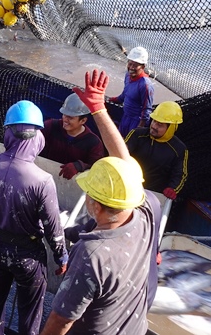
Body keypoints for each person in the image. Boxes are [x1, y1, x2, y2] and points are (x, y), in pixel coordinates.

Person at [41, 69, 158, 335]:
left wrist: (98, 110)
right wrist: (99, 109)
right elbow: (125, 162)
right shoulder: (147, 210)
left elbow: (61, 320)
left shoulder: (91, 254)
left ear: (96, 206)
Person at [0, 100, 68, 335]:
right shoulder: (42, 180)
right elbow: (53, 229)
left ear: (8, 133)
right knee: (29, 315)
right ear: (37, 138)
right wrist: (62, 257)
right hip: (28, 257)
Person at [125, 100, 189, 200]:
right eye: (154, 121)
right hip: (126, 186)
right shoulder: (136, 134)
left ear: (171, 128)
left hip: (152, 196)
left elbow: (179, 174)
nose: (154, 126)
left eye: (160, 124)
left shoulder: (179, 149)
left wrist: (173, 189)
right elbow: (120, 154)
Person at [40, 93, 105, 179]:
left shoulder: (93, 143)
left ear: (83, 121)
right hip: (44, 176)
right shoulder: (51, 126)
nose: (65, 120)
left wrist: (80, 166)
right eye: (64, 115)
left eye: (70, 118)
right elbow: (32, 142)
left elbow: (96, 169)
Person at [107, 46, 154, 137]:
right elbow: (125, 94)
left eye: (135, 65)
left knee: (129, 144)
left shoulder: (145, 85)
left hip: (136, 121)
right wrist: (112, 99)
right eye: (130, 63)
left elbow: (147, 110)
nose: (131, 67)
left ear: (143, 66)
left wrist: (139, 129)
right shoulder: (128, 76)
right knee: (119, 140)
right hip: (126, 117)